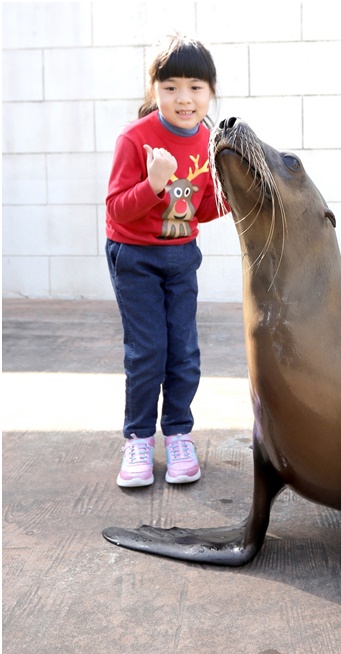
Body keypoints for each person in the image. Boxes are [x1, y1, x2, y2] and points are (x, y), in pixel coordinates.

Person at [105, 34, 221, 487]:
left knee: (184, 352)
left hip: (181, 256)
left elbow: (204, 208)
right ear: (153, 89)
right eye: (170, 87)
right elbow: (117, 209)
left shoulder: (210, 141)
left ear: (210, 91)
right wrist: (154, 182)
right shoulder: (135, 139)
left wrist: (237, 195)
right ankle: (137, 439)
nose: (184, 98)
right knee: (148, 350)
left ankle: (177, 434)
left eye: (195, 87)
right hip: (134, 255)